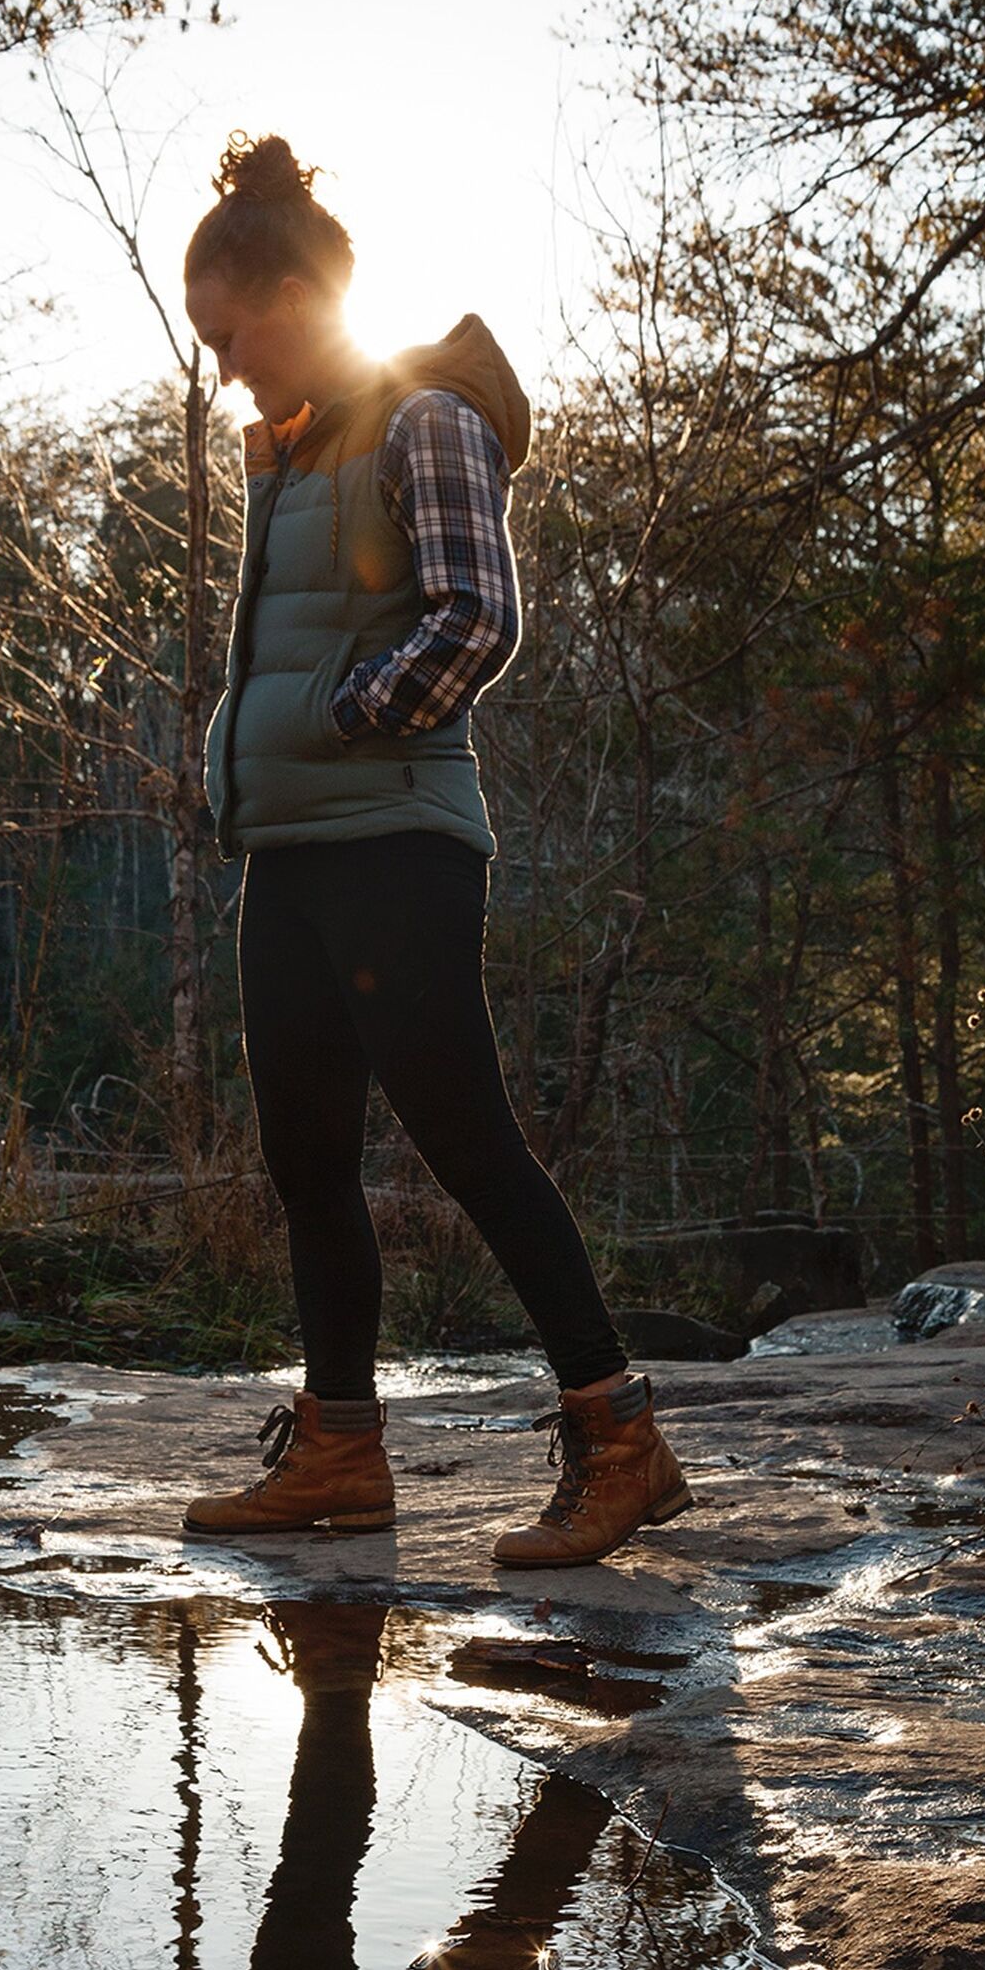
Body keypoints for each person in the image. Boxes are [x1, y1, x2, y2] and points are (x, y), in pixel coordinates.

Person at [178, 134, 690, 1568]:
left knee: (465, 1141)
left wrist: (345, 718)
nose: (220, 366)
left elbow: (475, 614)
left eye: (228, 334)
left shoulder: (421, 416)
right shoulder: (285, 454)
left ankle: (621, 1440)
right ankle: (339, 1451)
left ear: (289, 295)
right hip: (291, 853)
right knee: (306, 1158)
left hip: (396, 841)